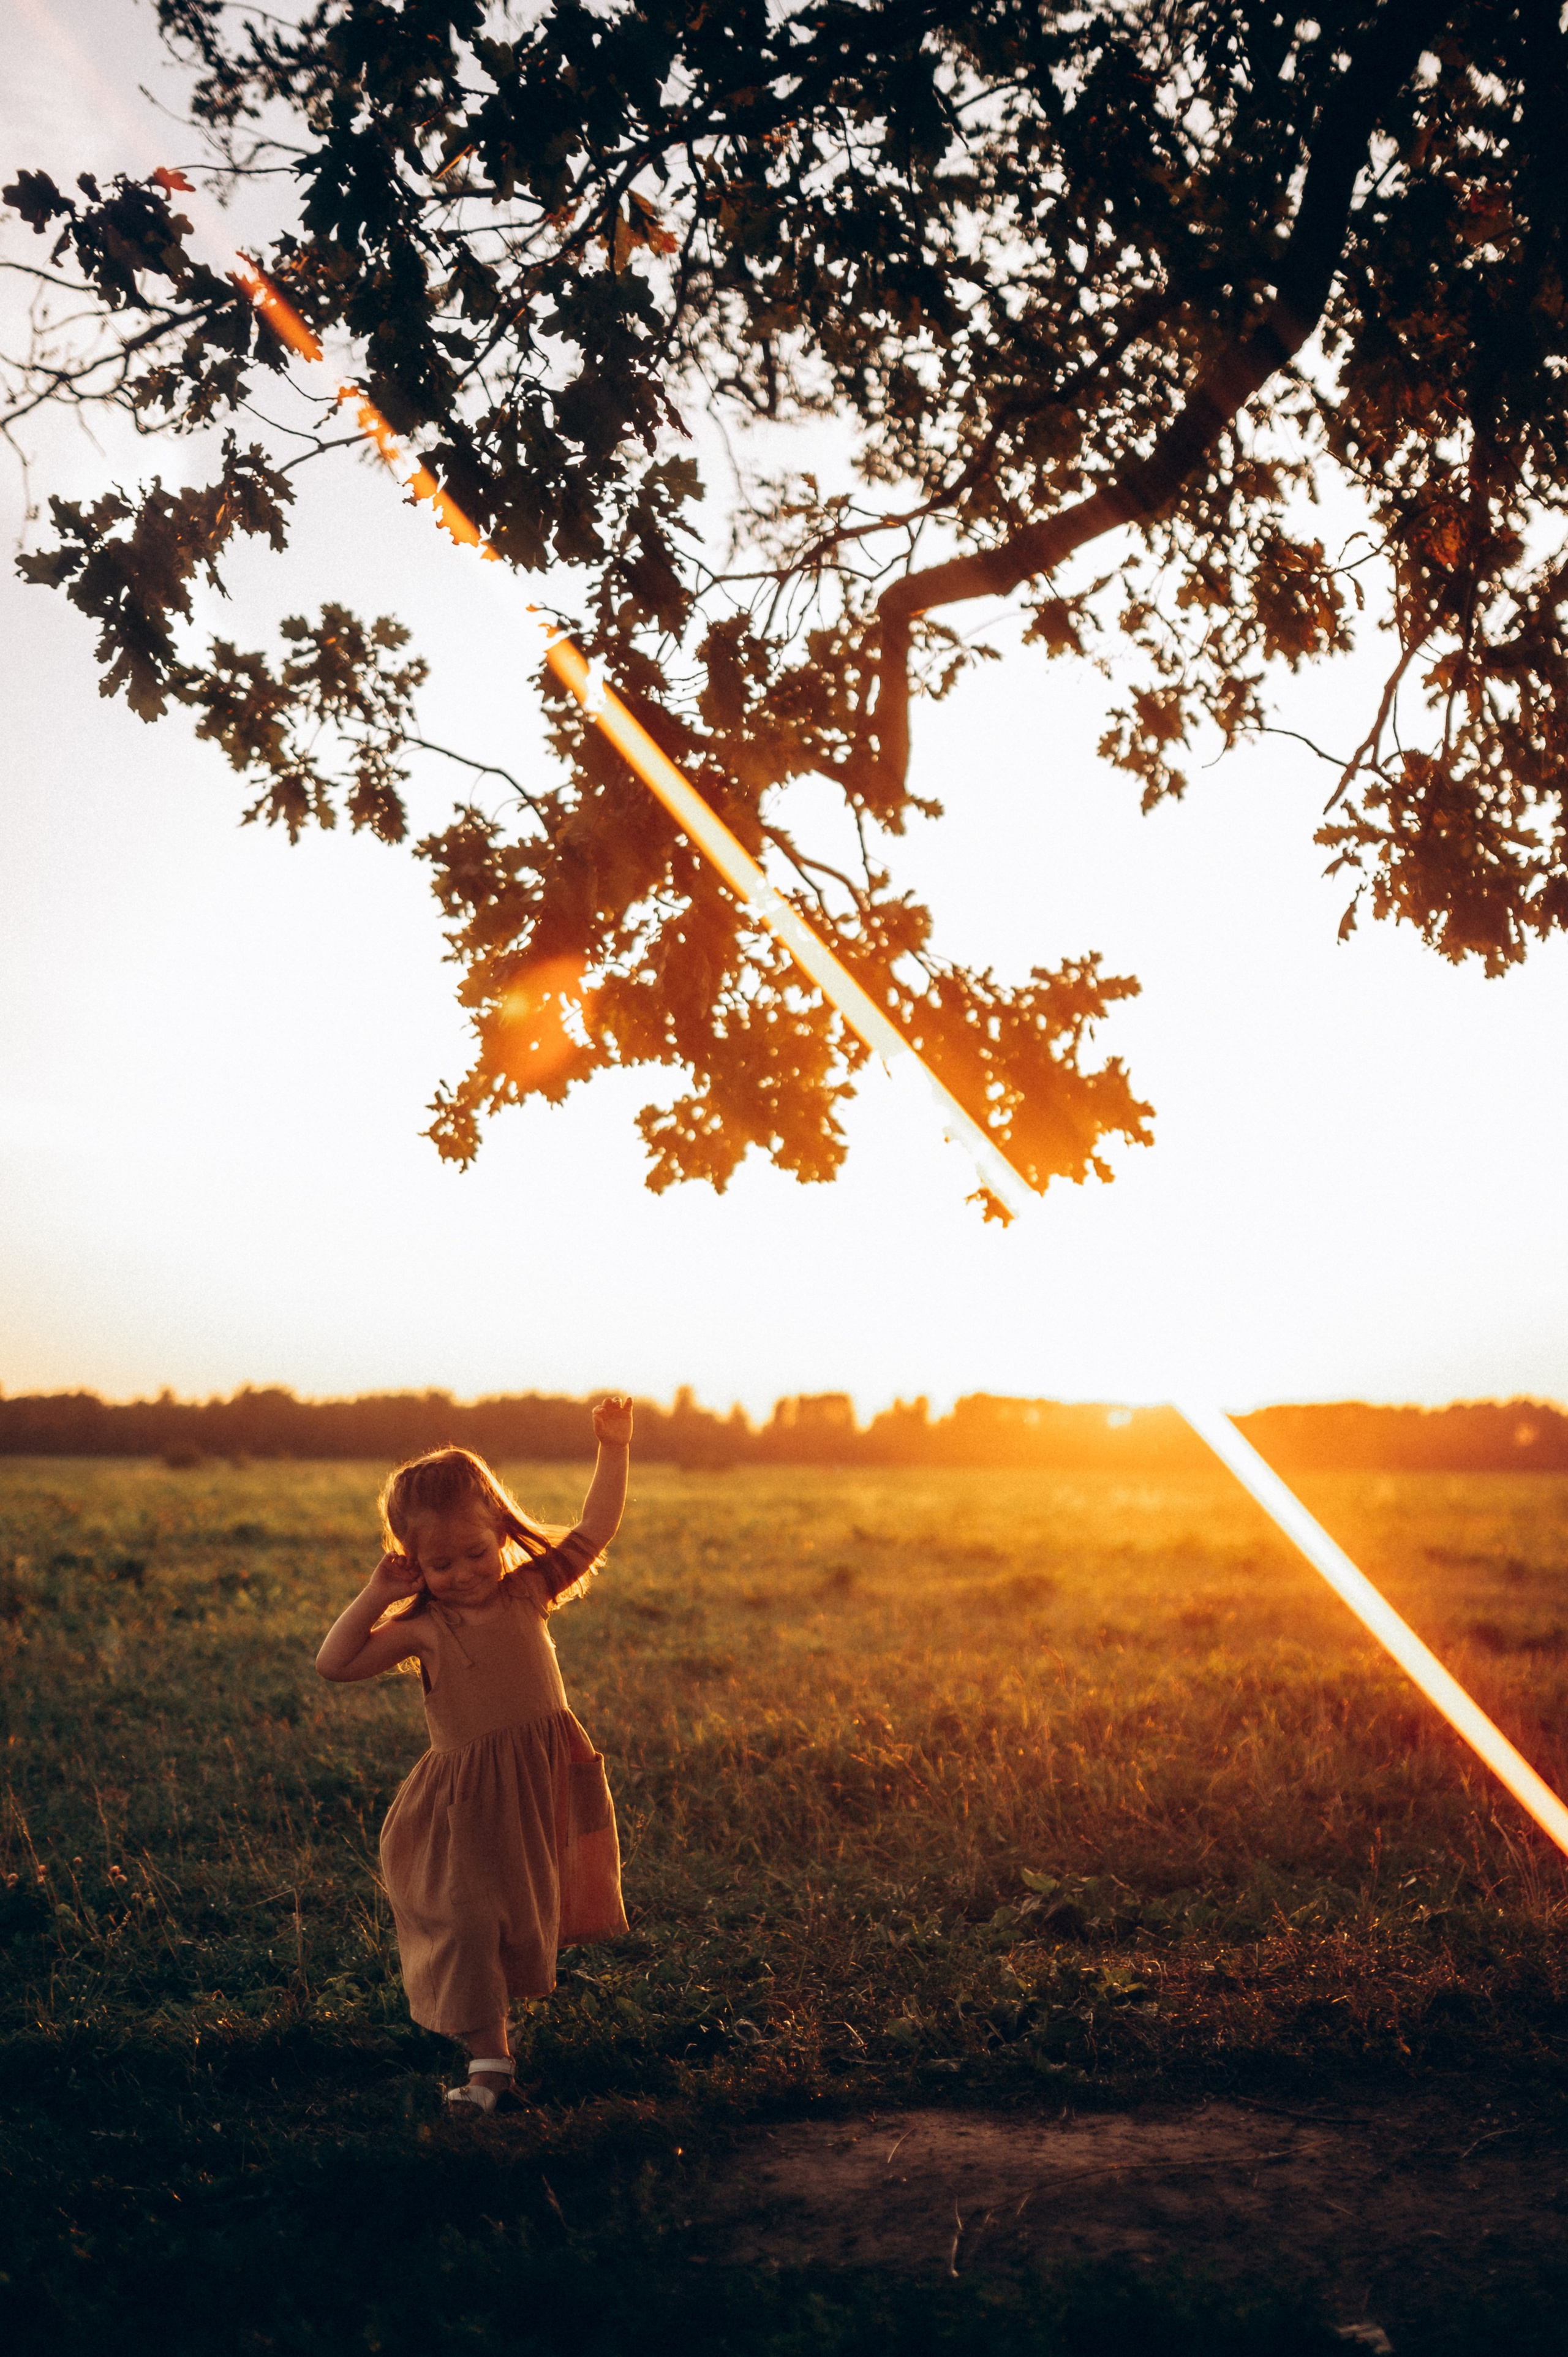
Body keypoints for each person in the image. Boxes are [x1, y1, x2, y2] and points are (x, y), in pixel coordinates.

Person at [315, 1400, 633, 2114]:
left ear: (500, 1534)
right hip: (464, 1804)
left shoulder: (527, 1592)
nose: (462, 1573)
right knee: (466, 1918)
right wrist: (376, 1593)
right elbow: (334, 1664)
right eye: (439, 1563)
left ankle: (496, 2053)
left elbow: (596, 1527)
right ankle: (490, 2064)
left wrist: (613, 1448)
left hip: (539, 1783)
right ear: (412, 1562)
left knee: (523, 1913)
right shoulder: (424, 1627)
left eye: (475, 1553)